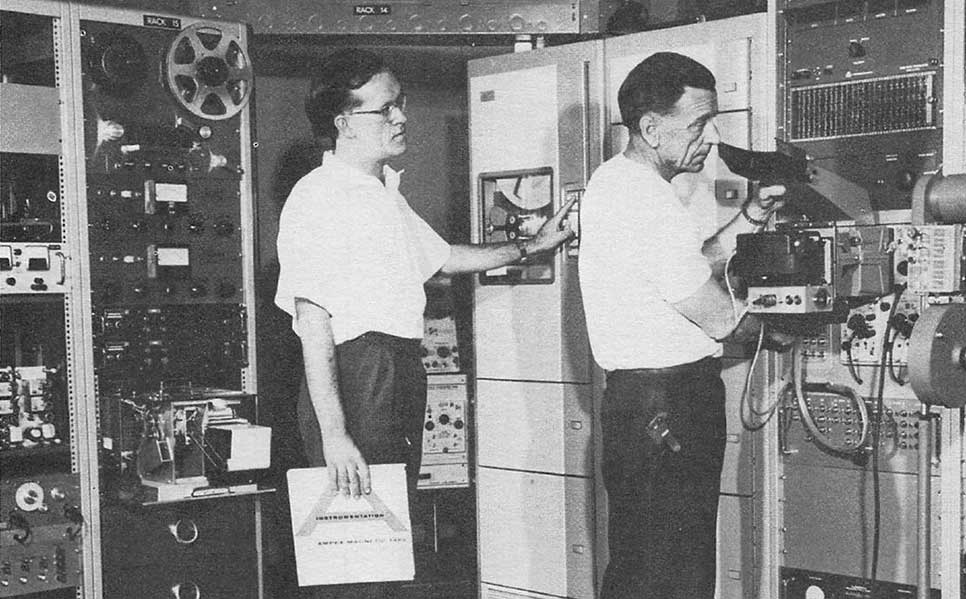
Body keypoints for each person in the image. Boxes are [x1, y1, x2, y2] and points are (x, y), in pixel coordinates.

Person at [274, 48, 576, 598]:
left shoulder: (380, 193)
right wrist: (335, 435)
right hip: (356, 377)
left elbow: (443, 257)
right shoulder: (318, 197)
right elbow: (312, 321)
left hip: (394, 372)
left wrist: (531, 246)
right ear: (344, 123)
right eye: (385, 109)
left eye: (401, 104)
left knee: (387, 547)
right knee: (358, 558)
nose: (400, 117)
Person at [577, 51, 786, 599]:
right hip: (667, 404)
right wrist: (786, 327)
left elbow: (693, 263)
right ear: (651, 128)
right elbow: (718, 317)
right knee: (672, 575)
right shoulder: (643, 198)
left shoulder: (620, 183)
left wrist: (753, 214)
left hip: (646, 404)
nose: (710, 138)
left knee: (647, 568)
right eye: (698, 124)